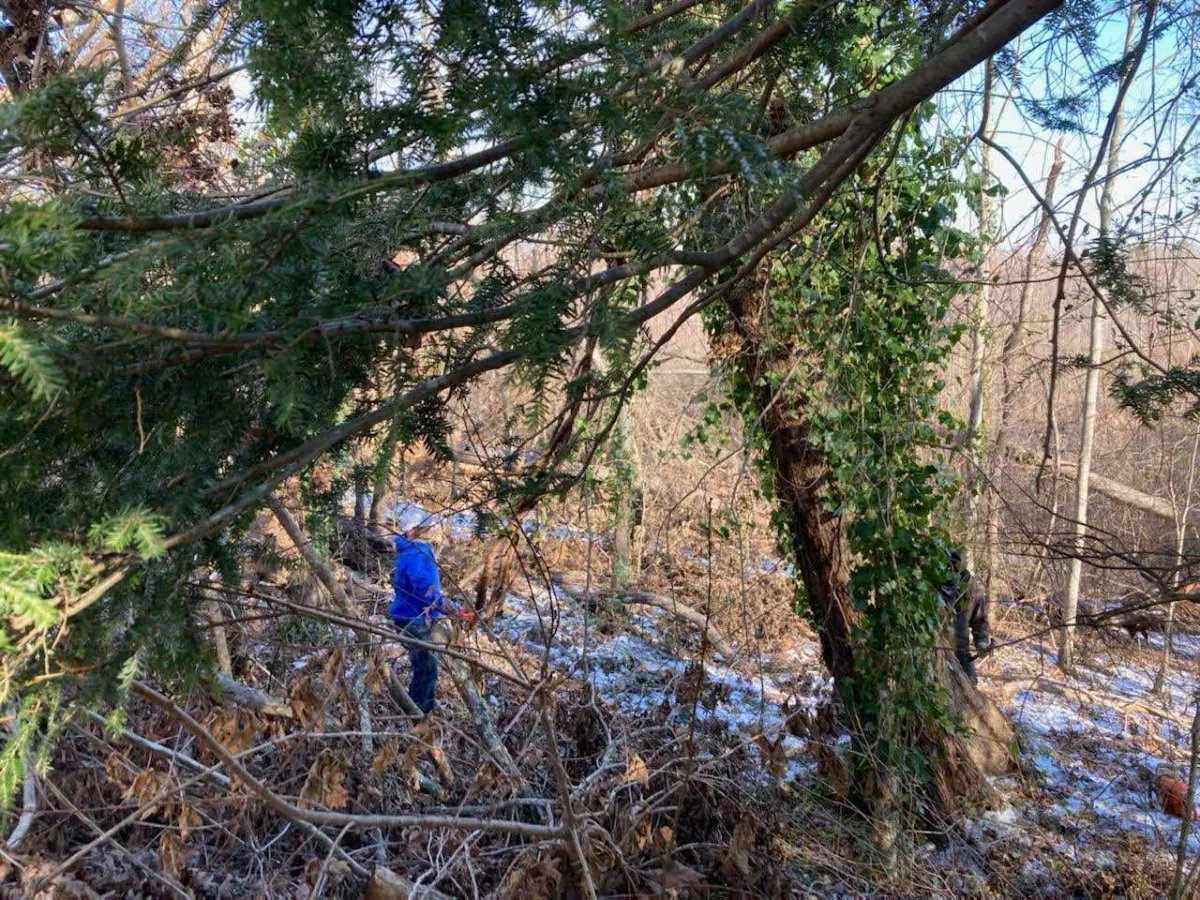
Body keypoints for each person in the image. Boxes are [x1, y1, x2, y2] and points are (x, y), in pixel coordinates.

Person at [390, 518, 475, 715]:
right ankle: (418, 716)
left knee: (428, 666)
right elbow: (425, 591)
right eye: (425, 526)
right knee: (426, 670)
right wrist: (454, 610)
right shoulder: (414, 554)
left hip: (419, 616)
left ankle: (419, 711)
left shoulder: (418, 548)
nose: (431, 528)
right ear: (412, 530)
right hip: (414, 619)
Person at [939, 548, 994, 683]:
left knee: (970, 687)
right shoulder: (933, 583)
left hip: (960, 652)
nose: (950, 571)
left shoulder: (972, 588)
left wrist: (982, 643)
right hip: (935, 651)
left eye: (953, 566)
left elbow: (980, 622)